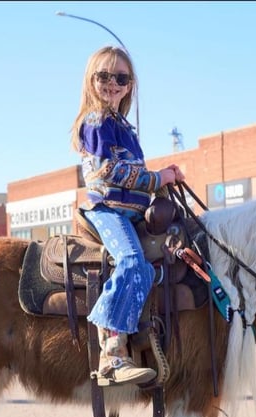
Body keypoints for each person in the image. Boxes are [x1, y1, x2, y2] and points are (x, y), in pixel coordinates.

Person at [70, 45, 184, 386]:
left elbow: (135, 174)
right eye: (104, 76)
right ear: (91, 81)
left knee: (156, 266)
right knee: (133, 262)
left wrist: (165, 178)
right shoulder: (95, 121)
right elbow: (107, 171)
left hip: (132, 213)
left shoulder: (126, 128)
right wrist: (156, 179)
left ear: (130, 84)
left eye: (121, 77)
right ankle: (112, 354)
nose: (112, 83)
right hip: (108, 210)